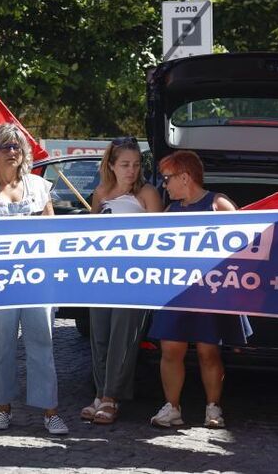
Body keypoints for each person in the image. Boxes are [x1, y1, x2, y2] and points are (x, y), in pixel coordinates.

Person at [0, 123, 69, 435]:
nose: (12, 152)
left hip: (37, 280)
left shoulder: (38, 186)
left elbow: (53, 232)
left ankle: (50, 411)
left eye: (16, 146)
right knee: (2, 348)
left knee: (42, 344)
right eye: (5, 146)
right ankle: (3, 408)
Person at [148, 150, 251, 429]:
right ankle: (172, 408)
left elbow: (245, 244)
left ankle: (213, 409)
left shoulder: (218, 203)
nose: (164, 185)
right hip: (175, 293)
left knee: (209, 351)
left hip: (211, 293)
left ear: (185, 177)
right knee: (170, 349)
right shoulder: (171, 210)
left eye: (167, 178)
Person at [81, 137, 163, 425]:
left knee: (122, 338)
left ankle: (112, 398)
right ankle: (100, 392)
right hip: (101, 275)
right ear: (111, 165)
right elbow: (90, 236)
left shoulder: (147, 194)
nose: (131, 170)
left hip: (134, 276)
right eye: (125, 164)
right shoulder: (100, 194)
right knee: (99, 335)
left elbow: (162, 239)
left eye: (136, 165)